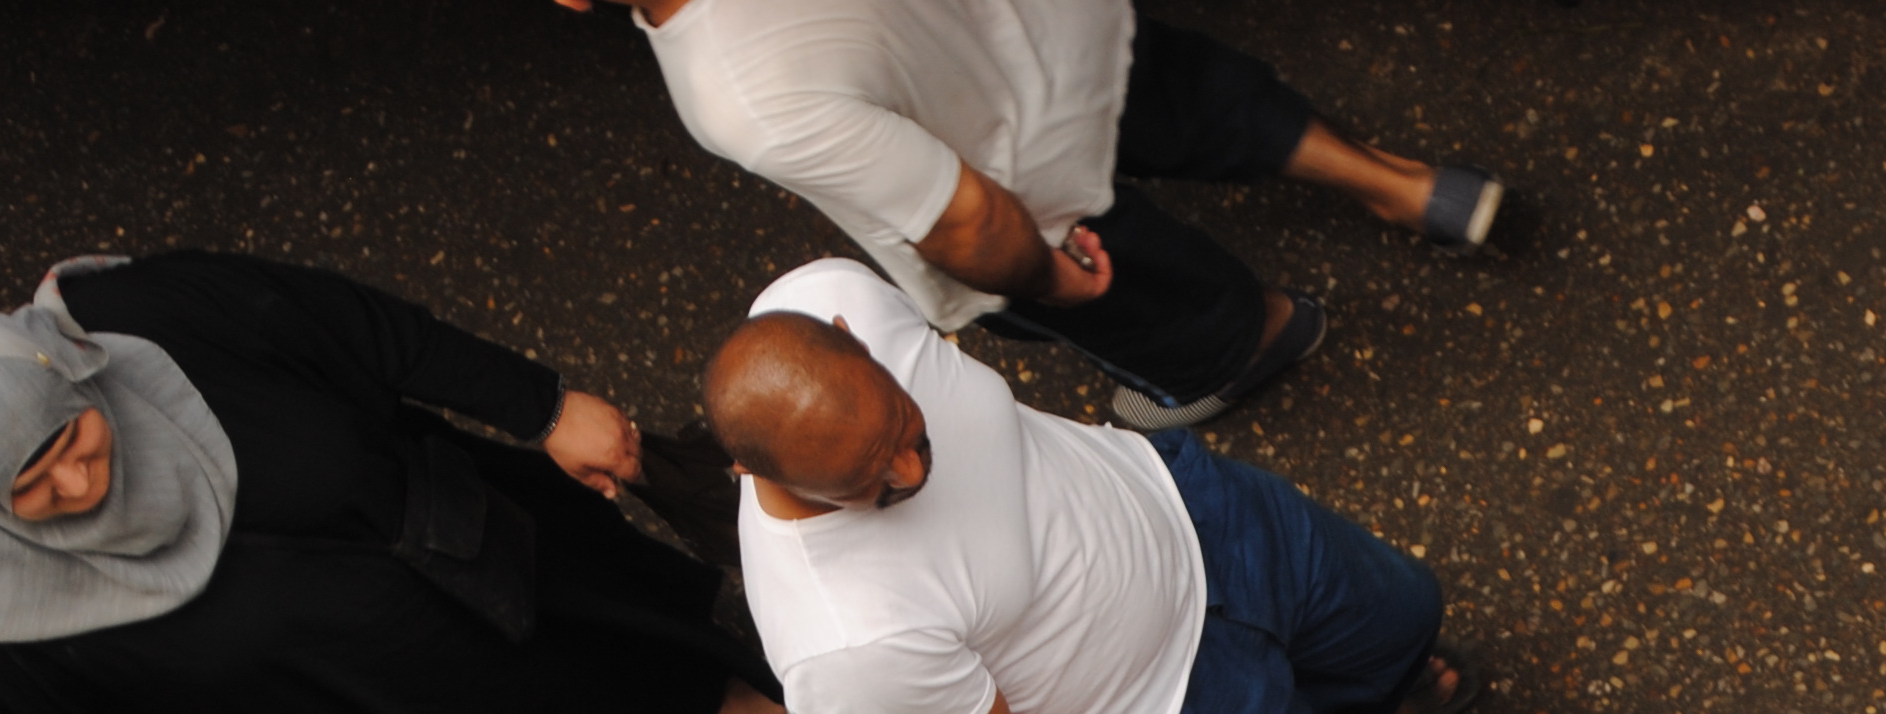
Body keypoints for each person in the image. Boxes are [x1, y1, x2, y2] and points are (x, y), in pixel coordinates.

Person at [0, 251, 790, 714]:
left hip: (485, 556)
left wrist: (542, 406)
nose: (79, 485)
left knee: (630, 656)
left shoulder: (139, 314)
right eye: (28, 489)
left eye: (74, 441)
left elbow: (354, 327)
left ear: (79, 380)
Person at [707, 259, 1575, 714]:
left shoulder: (831, 295)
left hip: (1192, 512)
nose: (909, 468)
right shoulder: (841, 645)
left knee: (1404, 612)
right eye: (868, 479)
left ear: (854, 341)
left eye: (904, 426)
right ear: (749, 472)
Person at [576, 0, 1525, 431]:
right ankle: (1396, 183)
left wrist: (1046, 279)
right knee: (1187, 94)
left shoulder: (736, 92)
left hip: (1020, 176)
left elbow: (969, 219)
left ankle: (1263, 335)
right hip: (1059, 30)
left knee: (1152, 301)